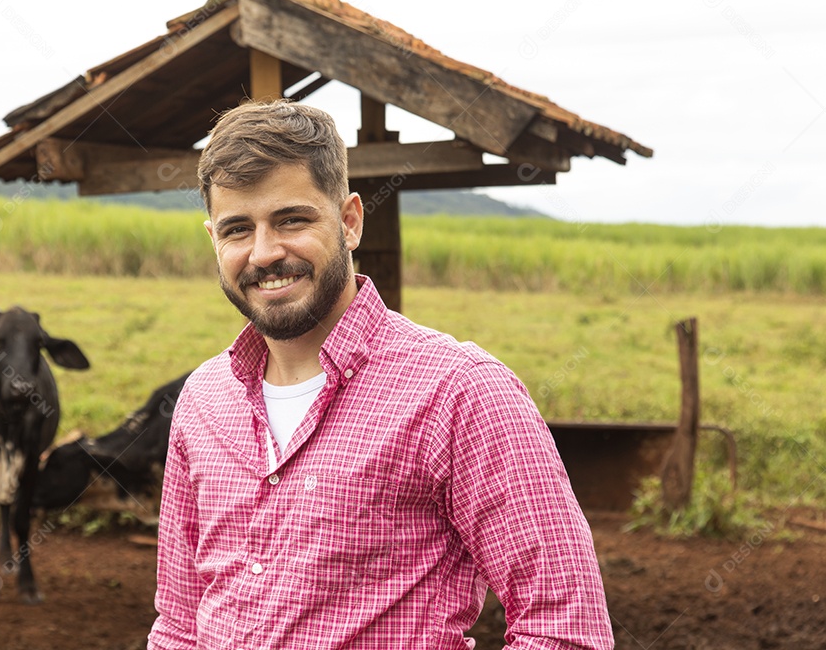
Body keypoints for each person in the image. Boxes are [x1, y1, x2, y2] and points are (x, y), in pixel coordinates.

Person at [147, 99, 613, 649]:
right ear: (213, 239)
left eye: (292, 220)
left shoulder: (460, 391)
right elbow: (178, 626)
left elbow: (566, 627)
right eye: (237, 229)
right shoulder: (203, 399)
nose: (265, 253)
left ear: (349, 222)